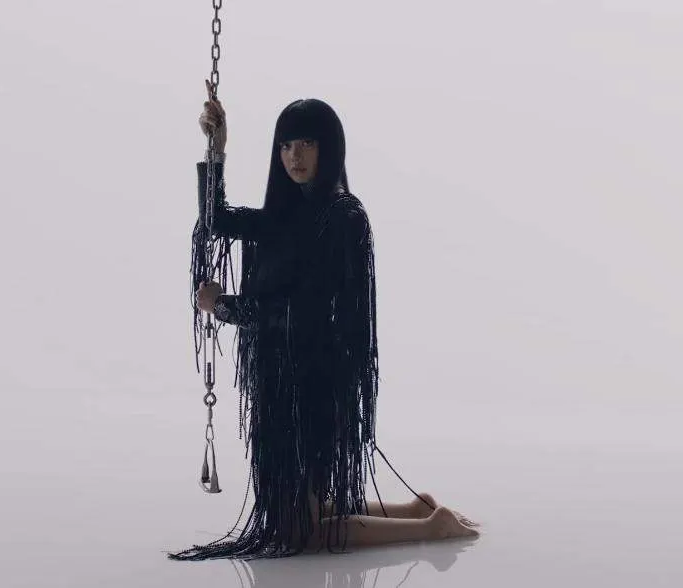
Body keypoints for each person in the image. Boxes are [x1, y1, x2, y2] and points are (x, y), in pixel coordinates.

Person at [168, 81, 479, 561]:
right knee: (295, 517)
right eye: (286, 145)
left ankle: (432, 528)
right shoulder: (287, 214)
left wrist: (224, 306)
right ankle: (416, 508)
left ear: (329, 148)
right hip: (283, 382)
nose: (294, 156)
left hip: (314, 385)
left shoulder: (342, 215)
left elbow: (303, 312)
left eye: (307, 143)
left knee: (302, 533)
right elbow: (216, 221)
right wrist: (217, 149)